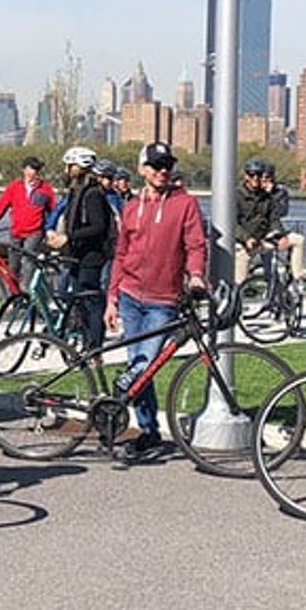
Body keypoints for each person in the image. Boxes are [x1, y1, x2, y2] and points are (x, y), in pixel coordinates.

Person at [104, 141, 207, 461]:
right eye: (156, 165)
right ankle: (148, 431)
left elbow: (195, 246)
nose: (163, 171)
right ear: (142, 170)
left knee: (143, 365)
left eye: (168, 166)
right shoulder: (132, 206)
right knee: (139, 368)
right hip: (131, 295)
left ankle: (118, 404)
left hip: (164, 299)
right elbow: (121, 254)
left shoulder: (185, 204)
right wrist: (112, 298)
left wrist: (196, 275)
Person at [45, 146, 112, 352]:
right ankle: (85, 342)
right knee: (79, 302)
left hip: (91, 257)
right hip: (76, 255)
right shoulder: (76, 192)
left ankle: (94, 347)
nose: (67, 169)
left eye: (70, 166)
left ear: (78, 167)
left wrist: (68, 237)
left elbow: (98, 226)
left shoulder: (92, 194)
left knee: (91, 301)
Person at [234, 157, 305, 306]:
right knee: (239, 279)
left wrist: (280, 235)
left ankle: (298, 280)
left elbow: (275, 218)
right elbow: (233, 223)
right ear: (246, 176)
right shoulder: (237, 196)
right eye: (252, 175)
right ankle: (237, 307)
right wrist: (246, 238)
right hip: (247, 243)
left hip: (266, 239)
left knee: (298, 240)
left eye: (259, 175)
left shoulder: (268, 196)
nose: (256, 178)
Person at [0, 154, 56, 288]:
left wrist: (51, 230)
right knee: (13, 267)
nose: (36, 172)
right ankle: (14, 298)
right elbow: (0, 208)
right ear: (25, 170)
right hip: (16, 232)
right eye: (33, 168)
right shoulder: (14, 187)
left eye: (38, 169)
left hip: (35, 232)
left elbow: (53, 211)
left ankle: (27, 296)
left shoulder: (46, 189)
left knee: (28, 263)